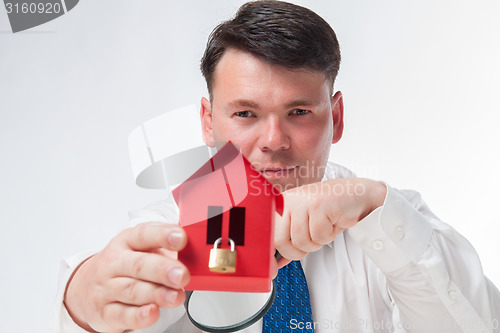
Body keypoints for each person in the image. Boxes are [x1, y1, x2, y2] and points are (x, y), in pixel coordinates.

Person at [55, 1, 500, 332]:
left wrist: (375, 205)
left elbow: (476, 323)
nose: (273, 141)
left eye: (300, 112)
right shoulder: (171, 227)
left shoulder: (387, 220)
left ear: (337, 118)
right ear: (209, 122)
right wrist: (84, 293)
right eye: (245, 114)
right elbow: (107, 296)